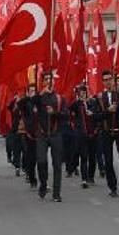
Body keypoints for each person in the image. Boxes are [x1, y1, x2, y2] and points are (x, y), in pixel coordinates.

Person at [96, 70, 119, 198]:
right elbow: (96, 116)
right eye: (105, 80)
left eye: (110, 79)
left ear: (113, 80)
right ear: (102, 82)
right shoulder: (100, 97)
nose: (108, 82)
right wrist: (107, 110)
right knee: (108, 161)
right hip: (106, 131)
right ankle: (112, 186)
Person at [35, 71, 66, 202]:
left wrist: (54, 112)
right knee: (41, 161)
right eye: (46, 79)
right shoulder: (39, 97)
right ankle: (43, 184)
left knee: (57, 164)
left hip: (55, 134)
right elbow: (29, 104)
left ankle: (56, 193)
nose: (49, 81)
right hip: (42, 134)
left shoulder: (60, 98)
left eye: (50, 79)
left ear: (54, 81)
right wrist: (39, 94)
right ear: (43, 82)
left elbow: (65, 115)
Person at [70, 85, 100, 189]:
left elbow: (98, 115)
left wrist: (92, 113)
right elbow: (70, 109)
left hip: (93, 132)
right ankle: (84, 179)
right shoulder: (77, 104)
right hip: (82, 134)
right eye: (80, 92)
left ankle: (91, 176)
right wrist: (79, 101)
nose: (82, 94)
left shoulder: (93, 102)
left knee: (92, 157)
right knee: (84, 156)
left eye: (84, 92)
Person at [17, 85, 39, 189]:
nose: (33, 92)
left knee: (41, 158)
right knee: (31, 157)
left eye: (34, 91)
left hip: (40, 133)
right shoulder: (26, 103)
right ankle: (32, 178)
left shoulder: (39, 101)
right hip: (28, 133)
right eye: (31, 91)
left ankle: (43, 180)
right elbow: (19, 104)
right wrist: (28, 97)